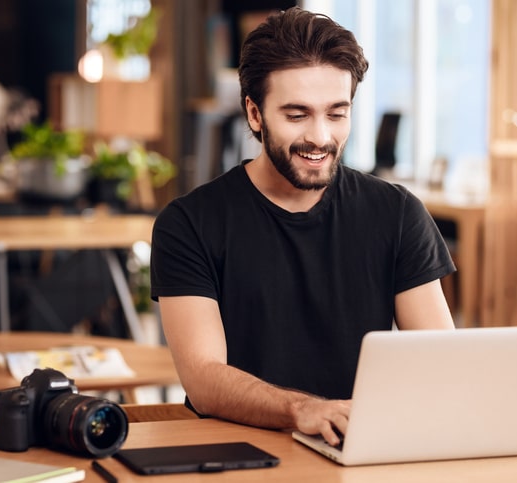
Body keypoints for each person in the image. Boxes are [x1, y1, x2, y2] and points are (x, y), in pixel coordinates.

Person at [150, 6, 455, 446]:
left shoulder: (398, 213)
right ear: (255, 115)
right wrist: (303, 410)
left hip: (355, 447)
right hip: (237, 454)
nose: (320, 137)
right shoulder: (189, 224)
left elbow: (439, 362)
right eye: (297, 115)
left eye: (337, 113)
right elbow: (204, 378)